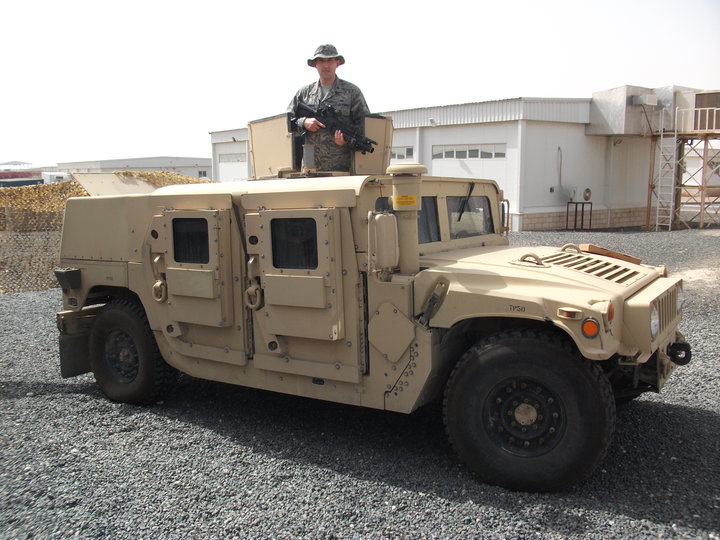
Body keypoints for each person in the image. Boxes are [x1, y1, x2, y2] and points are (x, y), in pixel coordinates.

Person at [288, 44, 370, 172]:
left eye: (330, 61)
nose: (326, 66)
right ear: (315, 64)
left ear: (337, 63)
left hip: (342, 170)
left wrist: (345, 141)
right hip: (311, 169)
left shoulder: (352, 92)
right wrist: (304, 122)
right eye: (321, 61)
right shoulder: (304, 93)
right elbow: (287, 121)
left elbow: (365, 126)